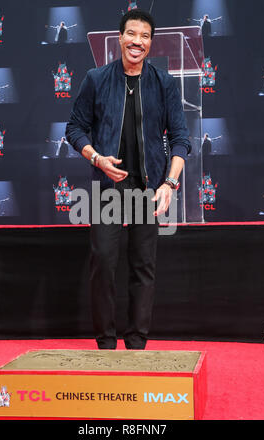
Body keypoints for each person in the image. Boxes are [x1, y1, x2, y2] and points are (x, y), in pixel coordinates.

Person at [66, 9, 191, 350]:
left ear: (151, 42)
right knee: (103, 262)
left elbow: (180, 138)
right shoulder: (96, 79)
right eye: (132, 34)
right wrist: (96, 158)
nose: (138, 41)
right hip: (107, 186)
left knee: (143, 266)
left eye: (145, 36)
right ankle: (106, 344)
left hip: (147, 189)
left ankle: (136, 344)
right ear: (120, 38)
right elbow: (74, 128)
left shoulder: (164, 84)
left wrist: (170, 184)